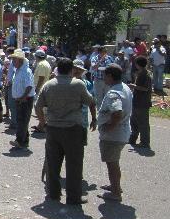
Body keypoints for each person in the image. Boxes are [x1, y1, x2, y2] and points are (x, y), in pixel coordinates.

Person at [36, 58, 96, 205]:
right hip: (73, 129)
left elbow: (38, 107)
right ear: (71, 70)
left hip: (53, 128)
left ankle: (53, 193)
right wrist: (94, 118)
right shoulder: (78, 85)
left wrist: (43, 122)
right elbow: (91, 101)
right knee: (74, 164)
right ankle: (73, 197)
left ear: (57, 68)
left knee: (53, 163)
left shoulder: (49, 85)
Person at [97, 64, 132, 202]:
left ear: (110, 76)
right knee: (113, 162)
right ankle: (114, 186)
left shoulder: (114, 93)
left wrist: (108, 128)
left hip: (114, 135)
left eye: (105, 74)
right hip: (122, 132)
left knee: (112, 164)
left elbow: (117, 112)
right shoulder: (124, 87)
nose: (103, 77)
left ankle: (116, 192)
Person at [7, 49, 35, 149]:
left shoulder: (26, 71)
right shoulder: (19, 70)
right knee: (22, 120)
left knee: (22, 121)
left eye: (14, 60)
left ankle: (19, 141)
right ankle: (24, 141)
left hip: (25, 100)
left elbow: (29, 86)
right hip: (20, 99)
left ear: (20, 60)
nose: (13, 62)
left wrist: (23, 97)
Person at [128, 56, 152, 149]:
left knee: (143, 123)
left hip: (143, 102)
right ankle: (133, 139)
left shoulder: (146, 75)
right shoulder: (139, 73)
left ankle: (145, 142)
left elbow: (145, 88)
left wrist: (133, 86)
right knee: (134, 121)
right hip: (136, 101)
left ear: (138, 64)